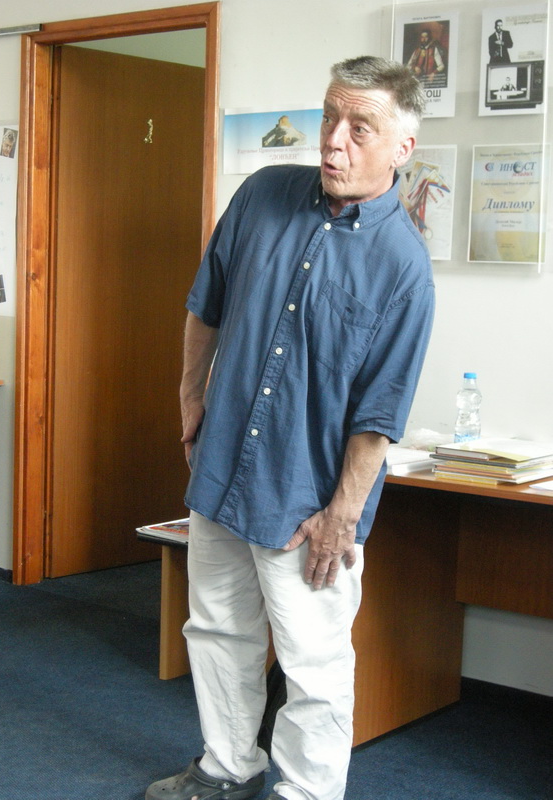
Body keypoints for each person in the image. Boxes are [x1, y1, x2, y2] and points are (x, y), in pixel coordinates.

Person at [145, 55, 434, 800]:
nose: (334, 140)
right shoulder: (262, 193)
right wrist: (190, 398)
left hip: (307, 501)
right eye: (330, 117)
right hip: (222, 469)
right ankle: (227, 766)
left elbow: (380, 413)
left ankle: (304, 793)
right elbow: (205, 304)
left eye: (360, 127)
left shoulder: (404, 265)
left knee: (312, 663)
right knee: (216, 628)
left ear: (402, 147)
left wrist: (343, 514)